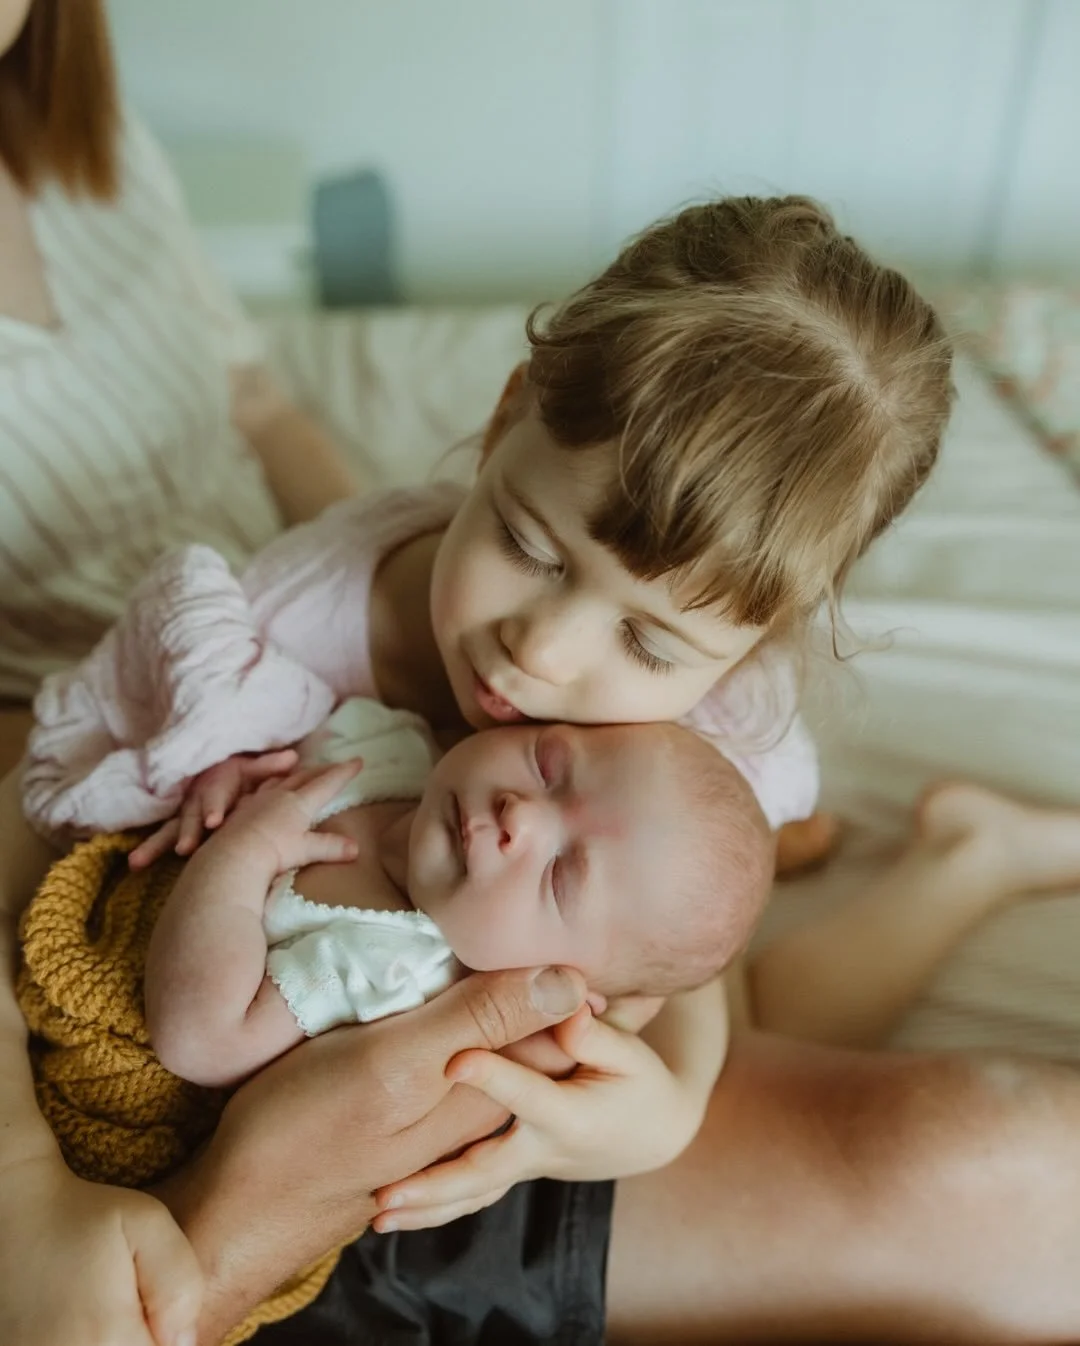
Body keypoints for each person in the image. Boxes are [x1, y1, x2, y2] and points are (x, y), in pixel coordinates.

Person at [0, 0, 359, 778]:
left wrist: (387, 573)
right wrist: (175, 746)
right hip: (123, 746)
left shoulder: (88, 134)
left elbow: (262, 409)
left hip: (300, 618)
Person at [141, 703, 773, 1088]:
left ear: (554, 979)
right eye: (548, 768)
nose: (519, 815)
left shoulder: (387, 970)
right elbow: (256, 734)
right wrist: (220, 768)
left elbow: (200, 1043)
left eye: (559, 875)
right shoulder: (384, 743)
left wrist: (242, 857)